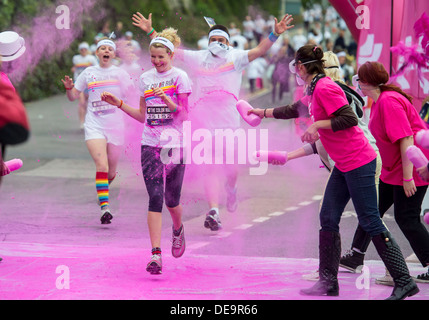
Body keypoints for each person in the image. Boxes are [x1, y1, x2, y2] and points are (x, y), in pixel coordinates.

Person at [249, 45, 419, 300]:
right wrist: (261, 113)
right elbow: (294, 109)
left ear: (303, 67)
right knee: (328, 216)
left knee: (370, 219)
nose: (295, 70)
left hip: (359, 161)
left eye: (296, 66)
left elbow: (348, 118)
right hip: (343, 164)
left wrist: (317, 124)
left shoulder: (326, 87)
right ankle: (328, 282)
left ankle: (404, 281)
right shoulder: (314, 88)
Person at [131, 11, 294, 231]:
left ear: (228, 42)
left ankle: (232, 188)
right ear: (208, 42)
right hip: (205, 124)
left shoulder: (236, 57)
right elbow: (172, 52)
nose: (217, 43)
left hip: (230, 123)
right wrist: (151, 31)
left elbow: (259, 50)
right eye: (213, 40)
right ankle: (214, 211)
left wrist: (274, 34)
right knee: (210, 167)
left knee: (230, 169)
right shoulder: (200, 57)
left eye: (221, 40)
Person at [100, 28, 191, 274]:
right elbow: (142, 116)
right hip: (150, 143)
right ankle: (155, 255)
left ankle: (178, 228)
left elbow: (184, 114)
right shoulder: (146, 79)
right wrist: (118, 103)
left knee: (172, 200)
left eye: (161, 57)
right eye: (153, 57)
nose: (157, 62)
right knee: (155, 197)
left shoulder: (180, 77)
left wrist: (168, 100)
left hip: (175, 144)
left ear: (170, 55)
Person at [340, 61, 429, 284]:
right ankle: (356, 256)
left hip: (412, 168)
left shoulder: (389, 102)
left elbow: (407, 139)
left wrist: (408, 178)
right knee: (371, 210)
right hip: (392, 171)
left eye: (358, 79)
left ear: (366, 82)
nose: (357, 83)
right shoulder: (380, 100)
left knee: (406, 218)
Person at [61, 37, 133, 224]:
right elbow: (73, 96)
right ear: (97, 53)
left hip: (116, 126)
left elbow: (132, 96)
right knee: (101, 166)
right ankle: (105, 207)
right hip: (94, 125)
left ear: (114, 54)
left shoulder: (121, 73)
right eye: (102, 48)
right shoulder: (88, 73)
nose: (106, 51)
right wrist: (69, 90)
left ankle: (102, 191)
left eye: (109, 48)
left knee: (111, 173)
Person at [71, 42, 98, 129]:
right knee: (81, 102)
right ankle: (82, 123)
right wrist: (74, 68)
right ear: (79, 50)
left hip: (89, 83)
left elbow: (97, 69)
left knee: (89, 103)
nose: (83, 51)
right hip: (78, 82)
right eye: (81, 49)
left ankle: (89, 120)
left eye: (85, 49)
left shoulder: (92, 58)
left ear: (87, 50)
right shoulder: (76, 58)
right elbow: (75, 67)